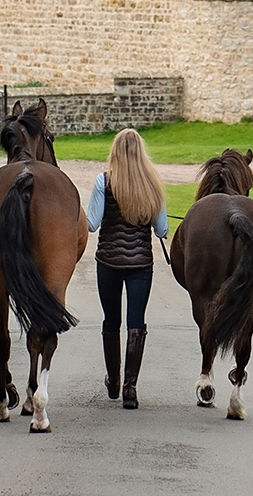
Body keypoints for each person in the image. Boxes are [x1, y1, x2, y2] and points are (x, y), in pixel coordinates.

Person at [86, 128, 168, 409]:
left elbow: (92, 223)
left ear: (115, 151)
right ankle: (130, 389)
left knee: (111, 321)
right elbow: (162, 230)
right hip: (141, 264)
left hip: (108, 262)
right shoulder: (153, 184)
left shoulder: (103, 181)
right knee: (136, 322)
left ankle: (113, 379)